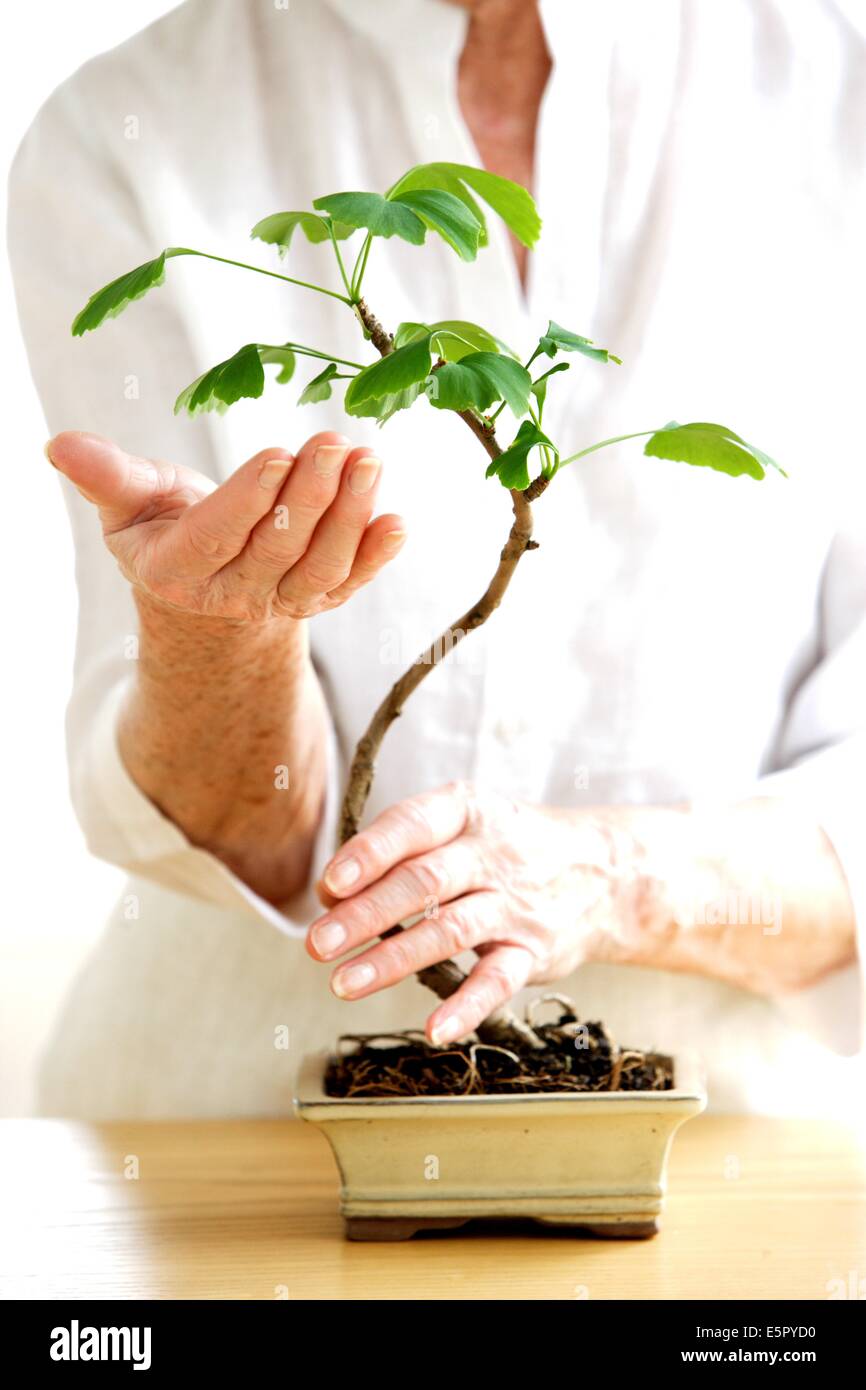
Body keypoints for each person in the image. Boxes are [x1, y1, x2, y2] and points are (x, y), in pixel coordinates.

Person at [8, 0, 865, 1118]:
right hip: (232, 1151)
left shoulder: (833, 87)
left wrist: (610, 881)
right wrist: (216, 644)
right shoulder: (126, 126)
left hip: (723, 1156)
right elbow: (243, 825)